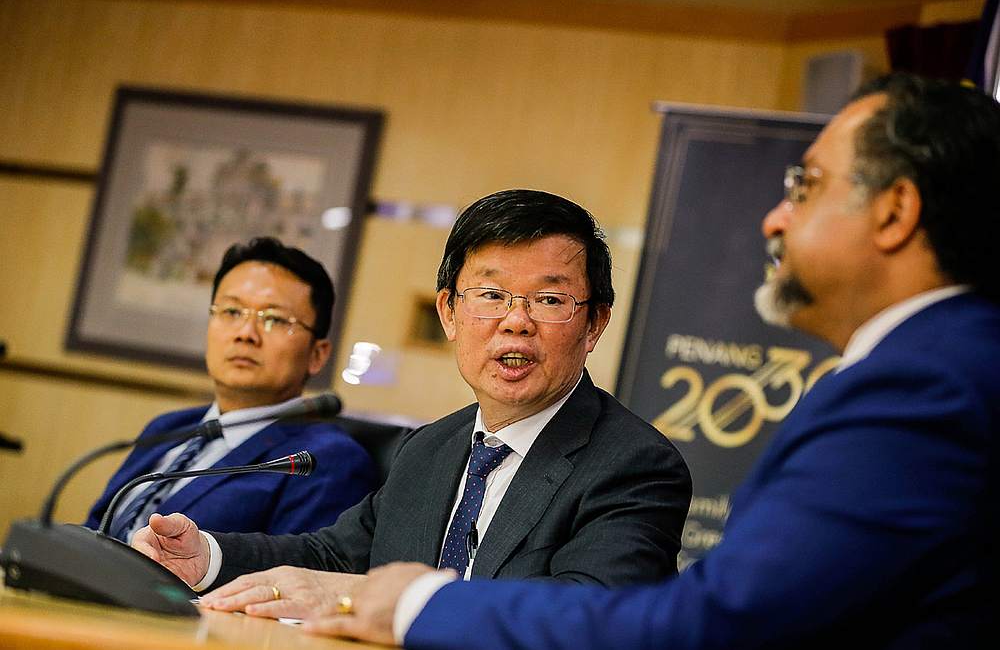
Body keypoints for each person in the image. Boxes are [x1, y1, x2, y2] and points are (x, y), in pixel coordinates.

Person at [303, 74, 1000, 648]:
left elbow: (721, 623)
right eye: (490, 295)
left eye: (805, 186)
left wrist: (421, 605)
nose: (774, 219)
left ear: (895, 211)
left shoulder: (922, 385)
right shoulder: (939, 363)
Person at [131, 189, 692, 614]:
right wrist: (208, 557)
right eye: (491, 295)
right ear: (449, 313)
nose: (515, 322)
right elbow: (334, 557)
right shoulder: (430, 448)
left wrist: (383, 600)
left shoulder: (634, 465)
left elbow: (588, 614)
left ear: (594, 324)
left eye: (548, 299)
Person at [85, 237, 376, 541]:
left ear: (317, 355)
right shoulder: (169, 427)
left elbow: (297, 568)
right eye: (232, 312)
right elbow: (95, 529)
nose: (245, 333)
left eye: (274, 319)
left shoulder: (326, 461)